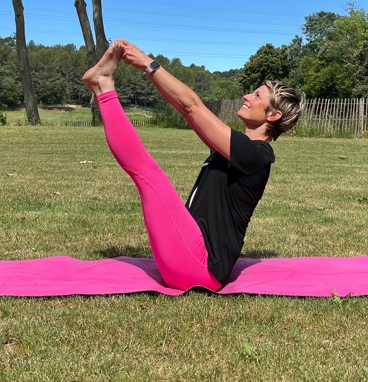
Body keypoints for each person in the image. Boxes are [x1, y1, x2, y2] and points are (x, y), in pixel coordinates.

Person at [82, 39, 305, 291]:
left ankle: (103, 87)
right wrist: (150, 72)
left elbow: (192, 106)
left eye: (257, 96)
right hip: (192, 256)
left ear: (273, 116)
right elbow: (184, 107)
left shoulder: (257, 155)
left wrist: (148, 64)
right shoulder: (236, 149)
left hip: (201, 268)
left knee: (148, 174)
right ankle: (102, 85)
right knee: (148, 174)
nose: (246, 96)